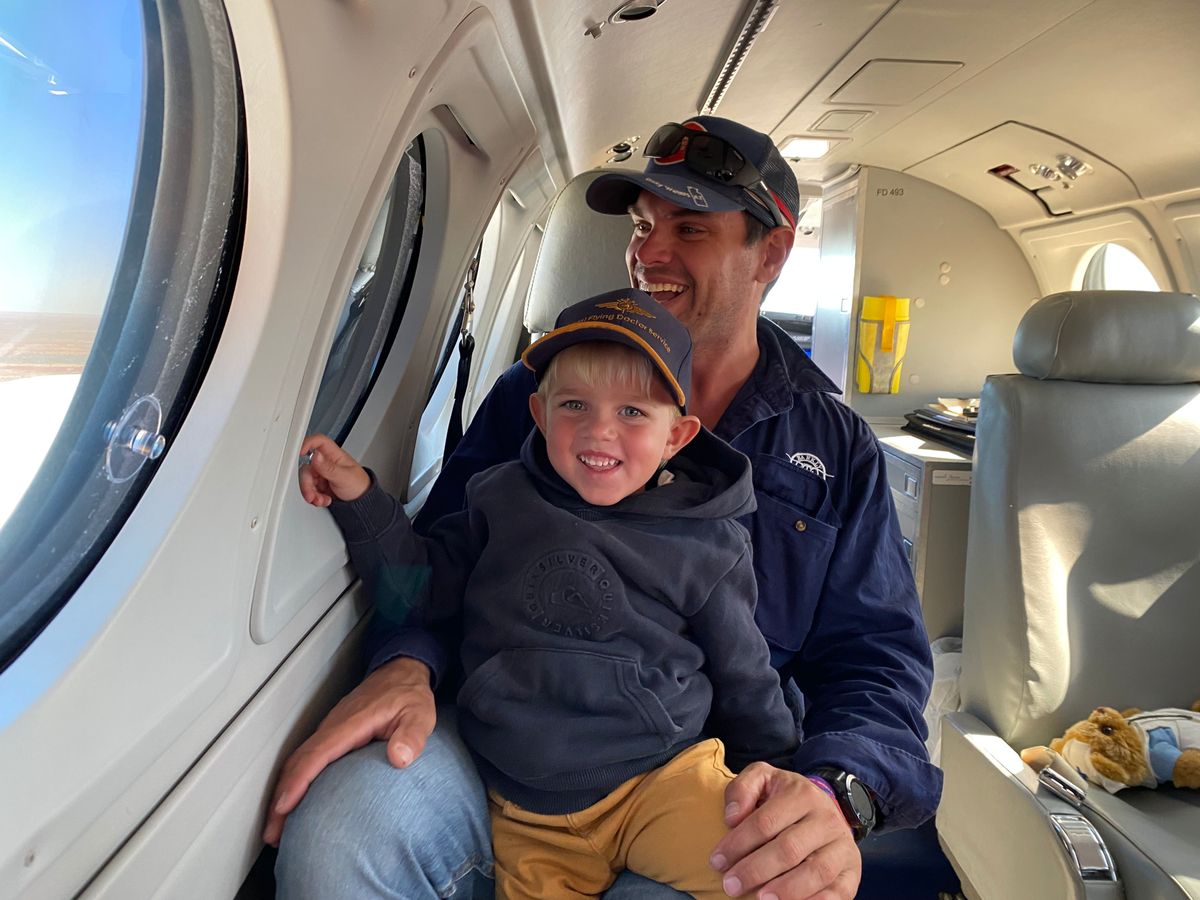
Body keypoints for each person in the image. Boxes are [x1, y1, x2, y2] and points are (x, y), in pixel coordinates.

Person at [268, 115, 941, 900]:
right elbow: (440, 559)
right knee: (340, 835)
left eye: (690, 228)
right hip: (509, 743)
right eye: (643, 226)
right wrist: (406, 661)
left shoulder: (835, 445)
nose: (649, 253)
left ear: (771, 255)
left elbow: (877, 657)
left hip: (708, 777)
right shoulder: (537, 393)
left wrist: (836, 789)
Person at [294, 289, 798, 898]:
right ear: (539, 413)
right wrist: (363, 503)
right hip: (525, 808)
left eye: (632, 412)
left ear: (677, 436)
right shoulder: (498, 499)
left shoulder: (709, 542)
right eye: (574, 405)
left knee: (771, 876)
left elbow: (744, 673)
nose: (599, 430)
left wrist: (780, 767)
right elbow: (417, 592)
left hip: (661, 783)